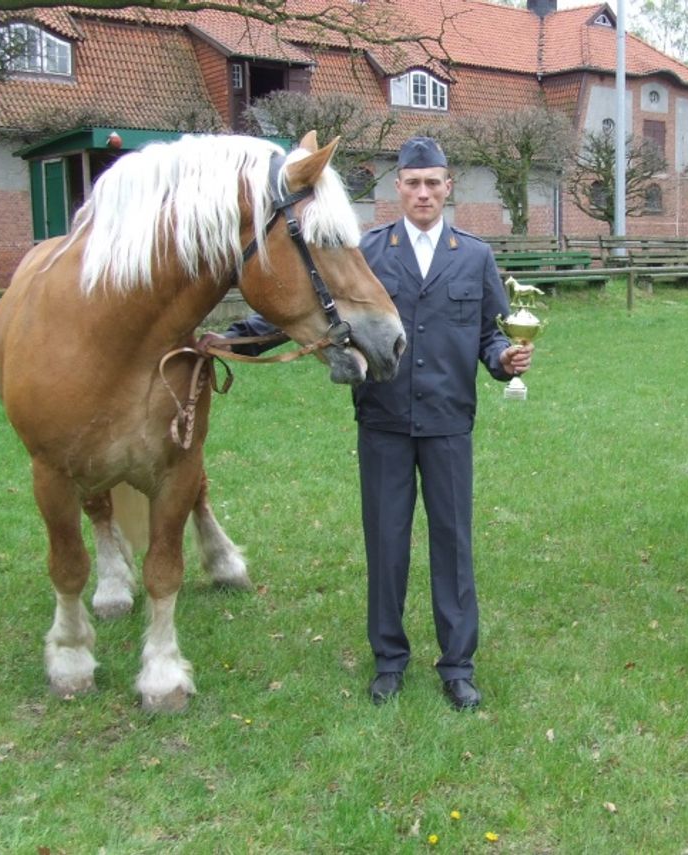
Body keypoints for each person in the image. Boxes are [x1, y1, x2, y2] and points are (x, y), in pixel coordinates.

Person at [223, 136, 533, 710]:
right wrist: (232, 339)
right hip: (384, 421)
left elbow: (492, 333)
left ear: (448, 188)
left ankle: (457, 664)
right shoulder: (367, 252)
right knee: (386, 545)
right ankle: (389, 659)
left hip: (446, 424)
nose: (423, 192)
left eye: (433, 182)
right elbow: (303, 303)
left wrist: (503, 359)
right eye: (413, 183)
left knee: (453, 544)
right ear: (399, 189)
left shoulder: (475, 256)